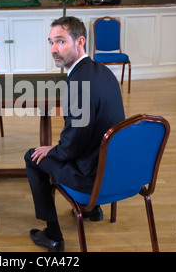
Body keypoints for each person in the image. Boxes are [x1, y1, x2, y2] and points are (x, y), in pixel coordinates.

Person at [24, 16, 125, 252]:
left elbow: (71, 147)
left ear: (80, 42)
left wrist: (54, 149)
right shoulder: (103, 72)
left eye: (60, 42)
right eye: (50, 42)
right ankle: (93, 210)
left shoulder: (79, 84)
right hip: (112, 168)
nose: (54, 49)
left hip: (91, 177)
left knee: (33, 157)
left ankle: (53, 235)